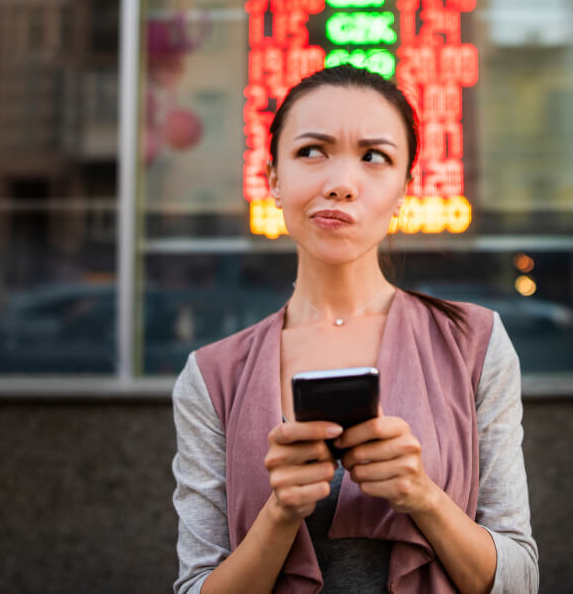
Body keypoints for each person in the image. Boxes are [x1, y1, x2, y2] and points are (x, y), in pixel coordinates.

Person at [172, 65, 538, 594]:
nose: (340, 184)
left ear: (404, 190)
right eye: (311, 151)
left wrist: (422, 495)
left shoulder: (474, 344)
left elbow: (521, 581)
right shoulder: (212, 376)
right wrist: (280, 514)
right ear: (273, 179)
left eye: (374, 157)